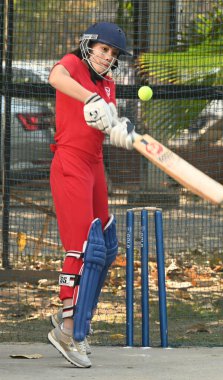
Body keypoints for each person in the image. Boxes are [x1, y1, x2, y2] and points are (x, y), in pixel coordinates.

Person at [47, 21, 135, 368]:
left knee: (105, 247)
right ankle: (67, 331)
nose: (106, 57)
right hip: (70, 161)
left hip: (95, 165)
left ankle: (76, 318)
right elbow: (55, 77)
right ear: (88, 46)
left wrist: (121, 130)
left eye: (112, 54)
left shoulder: (109, 84)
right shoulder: (72, 63)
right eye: (103, 49)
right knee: (84, 246)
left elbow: (105, 122)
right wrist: (91, 97)